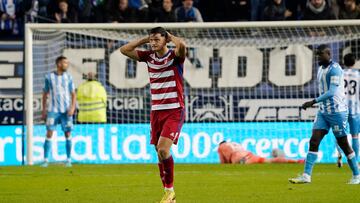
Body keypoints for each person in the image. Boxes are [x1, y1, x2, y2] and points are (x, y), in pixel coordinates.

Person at [120, 27, 186, 203]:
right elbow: (124, 50)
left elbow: (183, 46)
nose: (153, 43)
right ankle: (168, 194)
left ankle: (170, 191)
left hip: (174, 110)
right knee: (159, 152)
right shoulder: (149, 57)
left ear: (165, 40)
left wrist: (171, 37)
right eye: (152, 40)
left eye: (157, 39)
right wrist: (144, 40)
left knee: (164, 149)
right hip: (156, 111)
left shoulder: (174, 57)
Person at [289, 45, 360, 184]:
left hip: (337, 112)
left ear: (329, 54)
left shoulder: (335, 69)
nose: (318, 57)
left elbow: (332, 92)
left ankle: (357, 175)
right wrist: (318, 104)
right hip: (323, 112)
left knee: (344, 144)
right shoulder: (321, 69)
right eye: (317, 55)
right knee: (314, 140)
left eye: (321, 54)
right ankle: (306, 176)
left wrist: (313, 101)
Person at [41, 56, 76, 167]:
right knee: (49, 132)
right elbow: (45, 93)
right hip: (53, 109)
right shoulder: (49, 77)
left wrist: (72, 107)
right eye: (65, 63)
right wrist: (44, 110)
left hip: (66, 110)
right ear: (59, 64)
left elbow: (73, 94)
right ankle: (46, 160)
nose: (67, 64)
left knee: (68, 133)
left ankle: (69, 160)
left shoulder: (69, 77)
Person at [336, 53, 360, 167]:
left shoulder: (340, 74)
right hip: (355, 109)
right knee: (355, 136)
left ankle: (339, 155)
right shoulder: (358, 75)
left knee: (340, 134)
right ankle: (356, 161)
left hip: (341, 108)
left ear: (343, 62)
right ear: (354, 62)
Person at [218, 141, 304, 164]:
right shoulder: (234, 143)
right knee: (269, 161)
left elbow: (223, 163)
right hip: (249, 155)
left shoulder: (221, 147)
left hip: (241, 160)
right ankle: (296, 161)